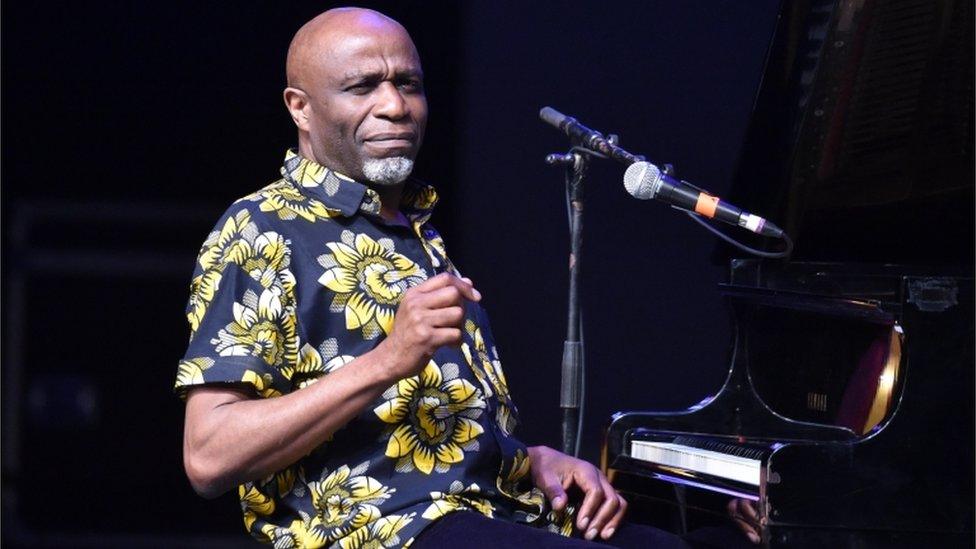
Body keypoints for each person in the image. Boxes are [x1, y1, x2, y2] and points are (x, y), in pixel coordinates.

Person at [175, 7, 750, 548]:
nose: (395, 106)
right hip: (383, 531)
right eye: (362, 87)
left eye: (408, 84)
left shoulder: (412, 228)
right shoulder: (262, 229)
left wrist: (525, 458)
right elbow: (208, 457)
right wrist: (389, 358)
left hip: (487, 511)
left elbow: (425, 433)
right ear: (300, 107)